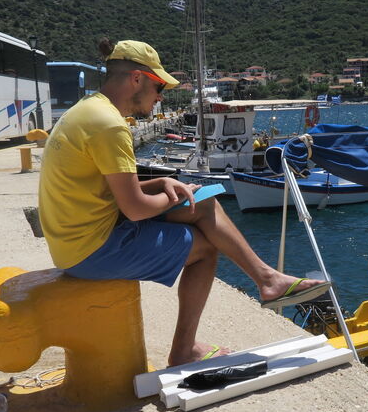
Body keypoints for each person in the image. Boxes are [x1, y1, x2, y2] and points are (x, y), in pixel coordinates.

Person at [38, 38, 329, 366]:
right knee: (203, 250)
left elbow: (105, 188)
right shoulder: (109, 126)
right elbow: (135, 209)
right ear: (137, 78)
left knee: (203, 203)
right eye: (158, 86)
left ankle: (268, 280)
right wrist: (169, 195)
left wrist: (160, 182)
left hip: (75, 240)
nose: (160, 97)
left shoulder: (87, 111)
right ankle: (185, 349)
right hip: (91, 250)